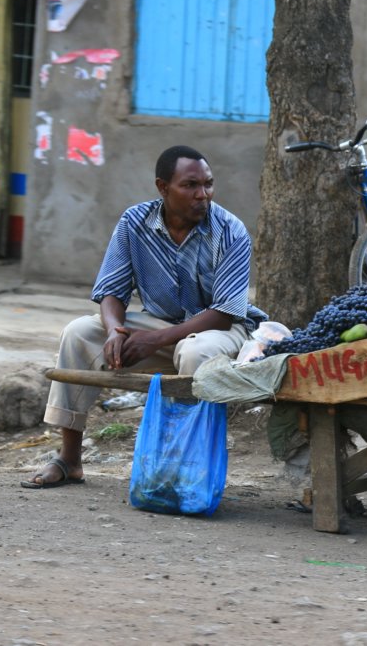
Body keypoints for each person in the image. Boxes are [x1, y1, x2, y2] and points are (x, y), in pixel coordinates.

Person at [22, 145, 266, 489]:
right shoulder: (134, 222)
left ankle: (185, 467)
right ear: (163, 188)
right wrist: (114, 331)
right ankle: (69, 459)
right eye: (191, 185)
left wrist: (157, 338)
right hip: (163, 326)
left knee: (195, 351)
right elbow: (111, 291)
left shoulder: (231, 231)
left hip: (222, 331)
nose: (203, 195)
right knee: (78, 332)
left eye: (208, 184)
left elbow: (224, 313)